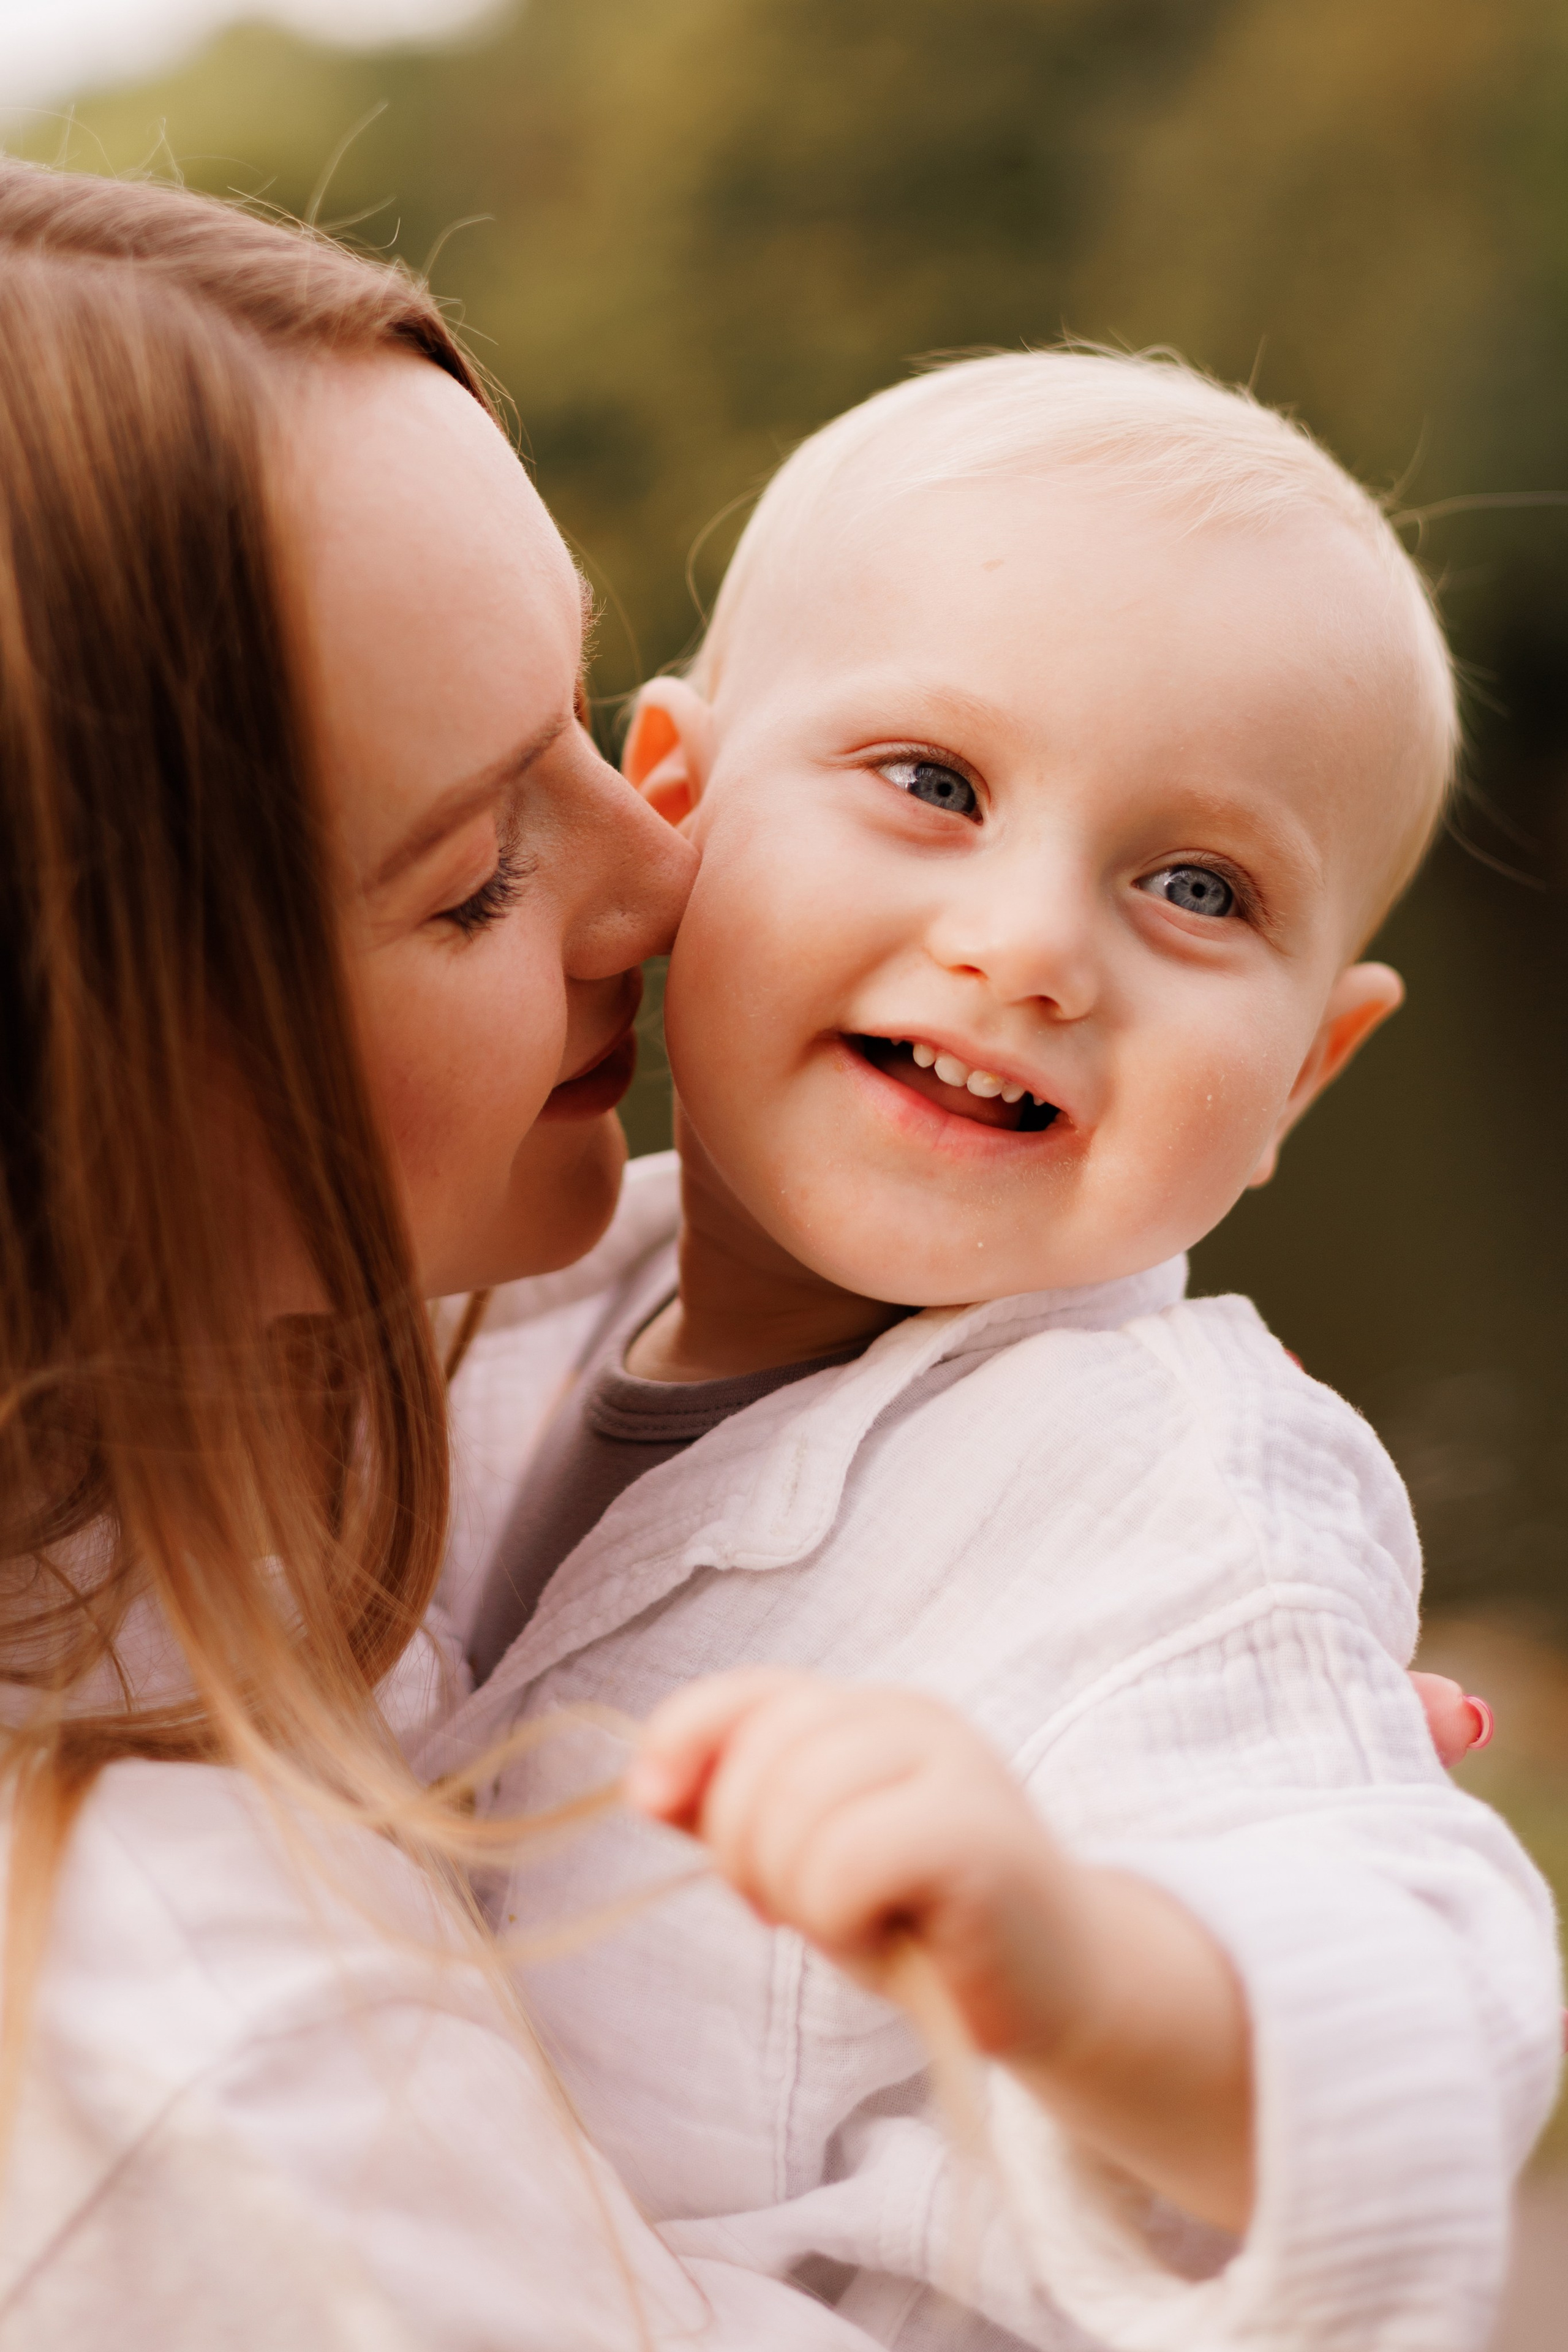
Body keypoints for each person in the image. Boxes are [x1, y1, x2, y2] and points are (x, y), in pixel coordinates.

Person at [424, 354, 1564, 2350]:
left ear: (1309, 1065)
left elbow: (1416, 2000)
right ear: (675, 804)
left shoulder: (1173, 1488)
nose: (1031, 945)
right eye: (934, 784)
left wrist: (1088, 1969)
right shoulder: (481, 1299)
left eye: (1197, 888)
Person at [0, 157, 937, 2350]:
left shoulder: (249, 1407)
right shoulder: (207, 2072)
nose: (669, 878)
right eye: (472, 878)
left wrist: (1093, 1631)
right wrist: (1148, 2075)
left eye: (586, 724)